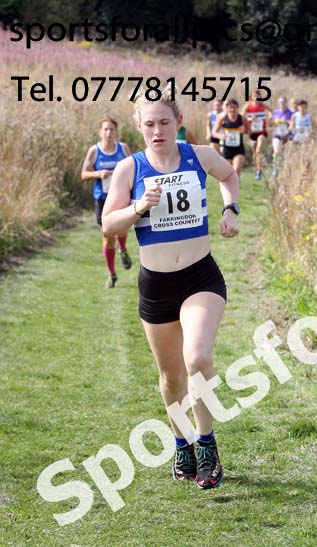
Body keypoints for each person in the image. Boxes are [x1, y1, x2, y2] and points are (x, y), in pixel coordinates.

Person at [101, 85, 240, 490]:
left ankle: (207, 444)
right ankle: (181, 444)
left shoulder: (197, 156)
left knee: (197, 357)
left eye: (165, 122)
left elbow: (229, 174)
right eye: (150, 124)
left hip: (200, 277)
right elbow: (109, 225)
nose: (158, 130)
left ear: (178, 122)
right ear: (139, 126)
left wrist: (230, 208)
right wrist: (139, 206)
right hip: (156, 284)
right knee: (171, 376)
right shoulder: (130, 169)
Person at [80, 116, 133, 288]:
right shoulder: (94, 151)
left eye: (112, 129)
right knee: (108, 237)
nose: (109, 133)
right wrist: (98, 174)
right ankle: (112, 274)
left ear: (116, 132)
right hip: (102, 200)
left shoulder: (123, 149)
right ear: (100, 132)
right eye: (105, 129)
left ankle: (123, 249)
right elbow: (84, 174)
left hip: (121, 197)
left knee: (122, 230)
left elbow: (134, 169)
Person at [241, 89, 272, 179]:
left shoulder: (263, 105)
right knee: (255, 152)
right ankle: (257, 167)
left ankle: (259, 170)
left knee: (258, 150)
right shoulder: (248, 106)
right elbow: (241, 117)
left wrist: (270, 118)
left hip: (262, 132)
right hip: (252, 132)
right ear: (251, 97)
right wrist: (250, 120)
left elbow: (271, 111)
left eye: (258, 96)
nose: (256, 98)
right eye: (255, 96)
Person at [213, 98, 248, 178]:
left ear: (237, 108)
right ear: (227, 108)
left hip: (239, 149)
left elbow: (249, 131)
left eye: (234, 107)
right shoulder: (222, 119)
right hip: (226, 149)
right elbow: (214, 132)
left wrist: (244, 130)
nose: (232, 109)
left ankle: (235, 190)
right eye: (230, 107)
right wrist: (220, 136)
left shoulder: (242, 119)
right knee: (226, 174)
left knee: (236, 172)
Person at [271, 96, 293, 176]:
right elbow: (272, 123)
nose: (282, 104)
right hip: (277, 134)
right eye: (280, 102)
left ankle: (284, 169)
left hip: (287, 136)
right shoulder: (275, 112)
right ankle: (275, 168)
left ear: (286, 103)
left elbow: (292, 123)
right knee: (276, 151)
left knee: (285, 154)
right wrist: (275, 122)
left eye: (283, 102)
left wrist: (286, 121)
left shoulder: (290, 113)